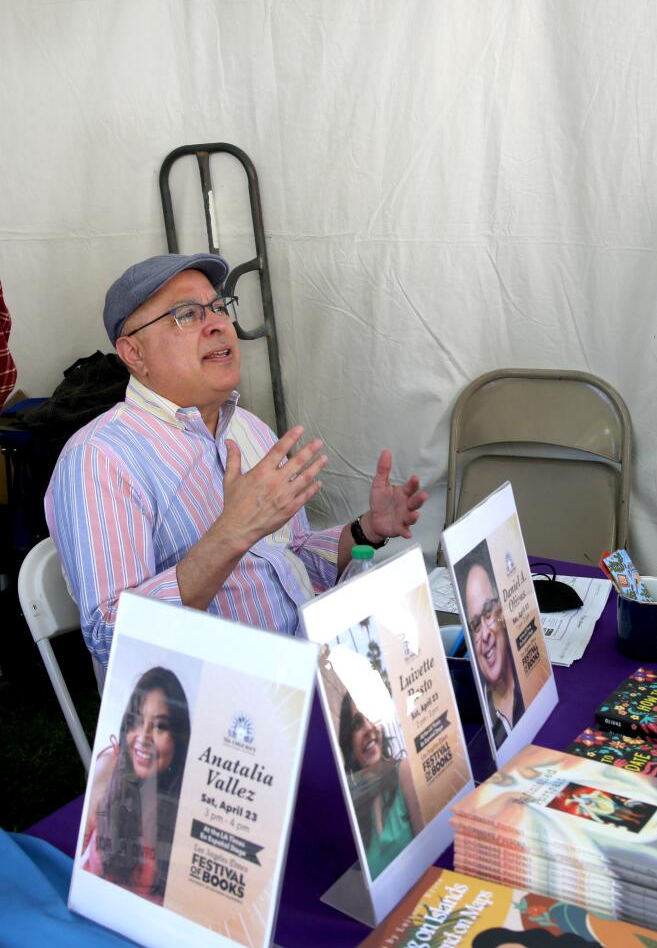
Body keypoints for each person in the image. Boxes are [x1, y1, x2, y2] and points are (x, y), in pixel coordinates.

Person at [45, 253, 429, 670]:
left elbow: (292, 559)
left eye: (218, 307)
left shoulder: (247, 429)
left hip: (313, 664)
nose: (217, 323)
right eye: (186, 315)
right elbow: (111, 638)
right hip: (220, 709)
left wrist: (367, 531)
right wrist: (231, 535)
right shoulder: (100, 459)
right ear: (134, 353)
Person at [81, 666, 191, 904]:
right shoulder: (110, 770)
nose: (143, 737)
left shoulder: (190, 803)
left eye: (160, 726)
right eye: (137, 721)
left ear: (178, 739)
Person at [337, 690, 423, 878]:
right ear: (348, 742)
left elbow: (429, 857)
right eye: (358, 724)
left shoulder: (404, 773)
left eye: (371, 717)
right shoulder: (355, 807)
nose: (368, 728)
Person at [454, 542, 525, 749]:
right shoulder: (480, 716)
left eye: (487, 614)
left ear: (503, 613)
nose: (484, 634)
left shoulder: (530, 686)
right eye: (475, 625)